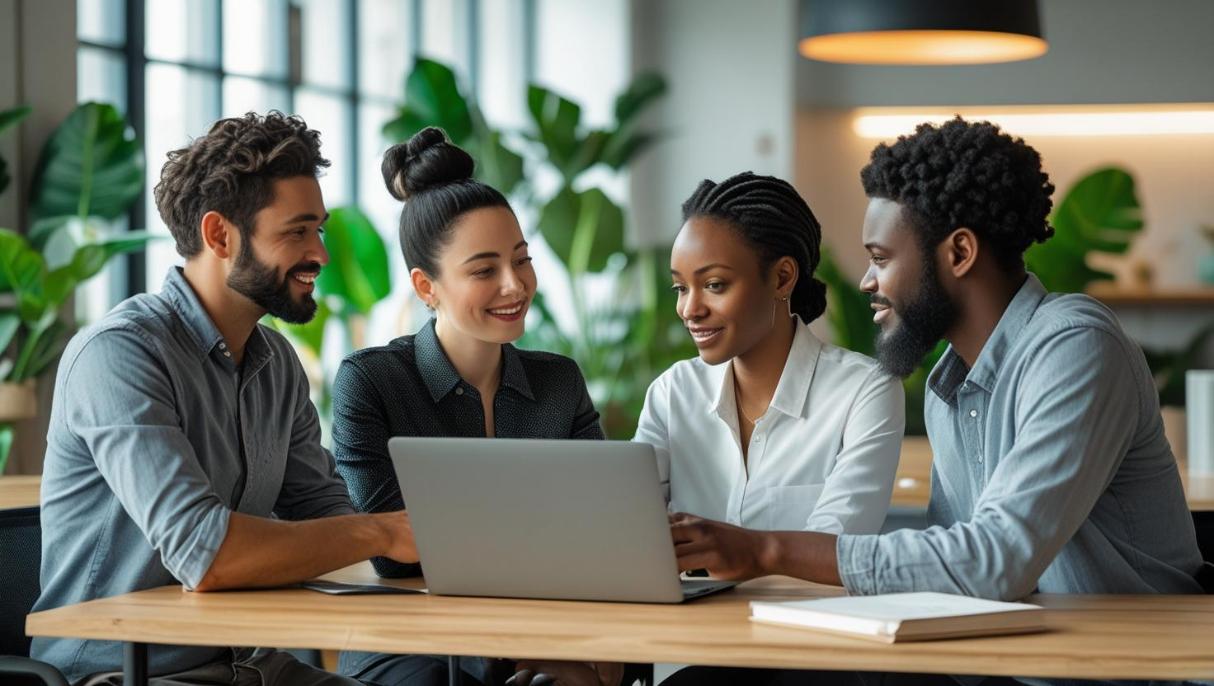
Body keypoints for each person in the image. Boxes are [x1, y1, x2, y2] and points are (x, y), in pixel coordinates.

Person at [665, 118, 1210, 685]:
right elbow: (951, 576)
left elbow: (992, 560)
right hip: (1015, 667)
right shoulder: (947, 388)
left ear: (959, 252)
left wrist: (766, 550)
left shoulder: (1074, 346)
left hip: (1135, 672)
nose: (867, 283)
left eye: (881, 258)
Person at [32, 112, 418, 686]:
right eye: (297, 231)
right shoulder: (118, 355)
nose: (322, 253)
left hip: (250, 666)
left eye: (320, 229)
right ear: (220, 236)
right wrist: (386, 531)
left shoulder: (277, 365)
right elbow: (206, 555)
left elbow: (326, 515)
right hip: (123, 673)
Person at [331, 126, 620, 686]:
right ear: (426, 286)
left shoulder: (558, 381)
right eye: (485, 270)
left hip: (543, 635)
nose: (516, 286)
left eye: (522, 259)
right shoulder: (371, 382)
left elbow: (600, 537)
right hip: (410, 644)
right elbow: (397, 555)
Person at [634, 171, 904, 541]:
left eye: (714, 285)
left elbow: (837, 549)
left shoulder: (864, 391)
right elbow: (630, 526)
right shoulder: (672, 392)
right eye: (681, 287)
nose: (689, 309)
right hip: (689, 600)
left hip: (803, 602)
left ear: (781, 278)